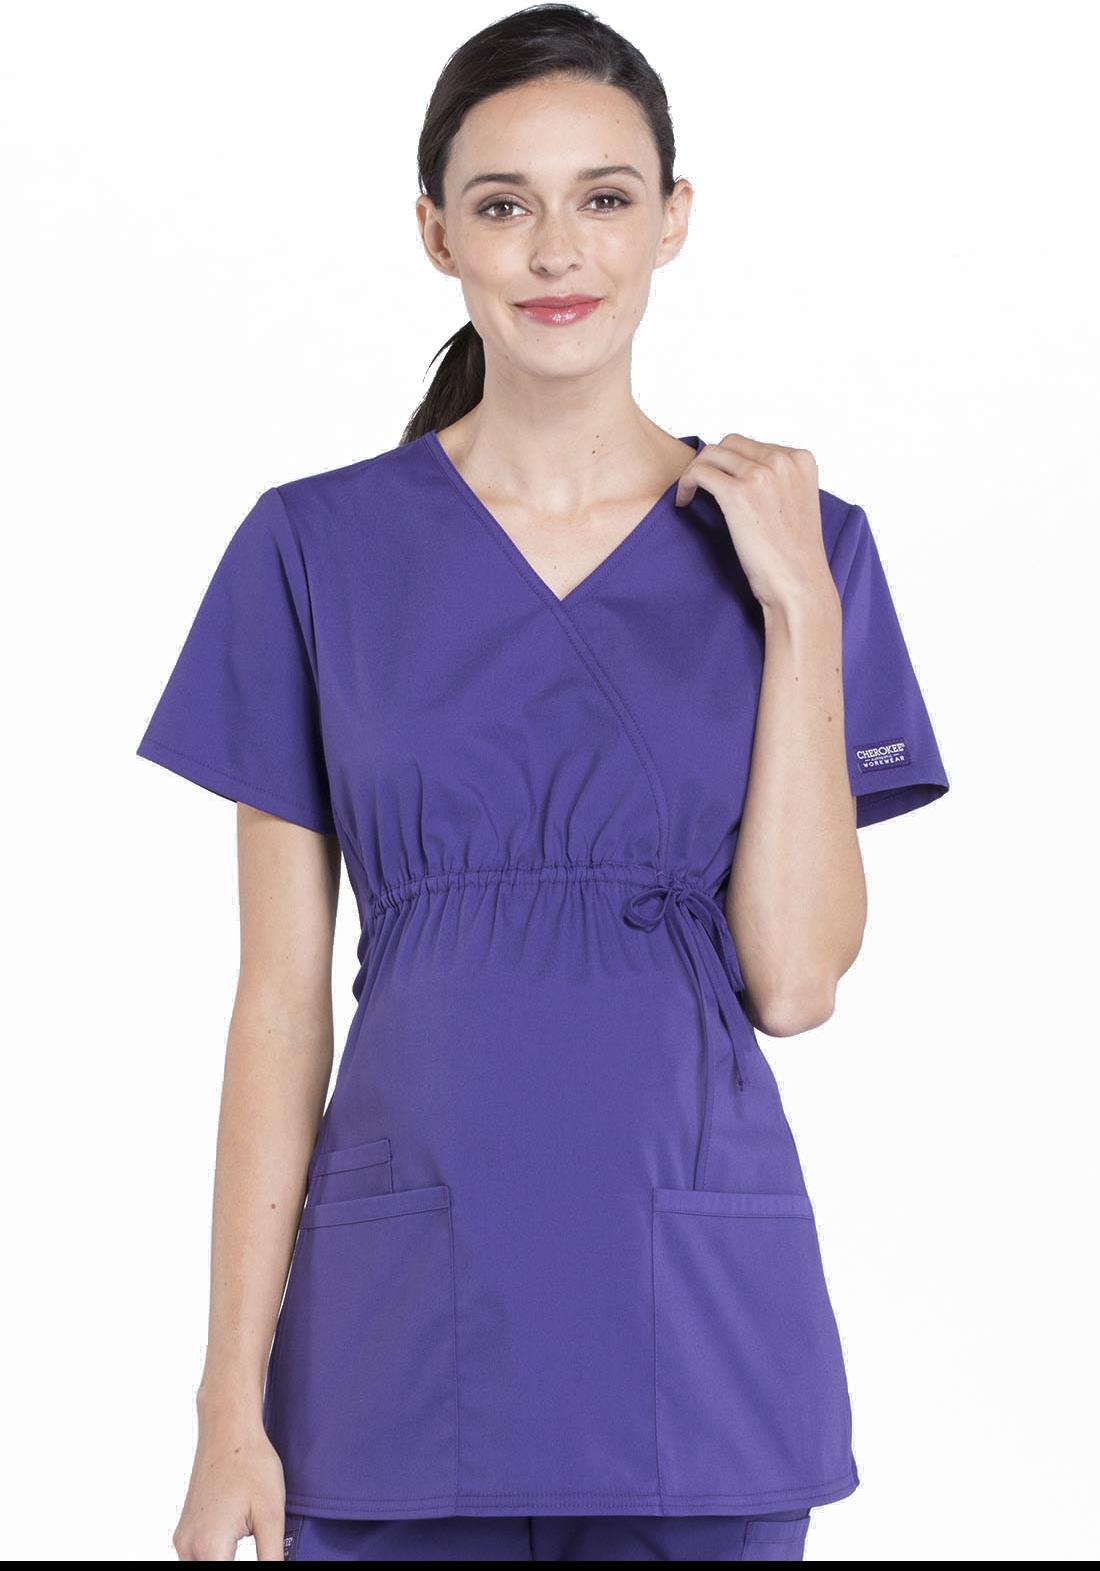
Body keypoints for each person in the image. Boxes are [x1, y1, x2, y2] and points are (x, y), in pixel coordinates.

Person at [138, 5, 950, 1562]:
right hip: (393, 1338)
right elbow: (278, 1009)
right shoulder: (314, 551)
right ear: (437, 234)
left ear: (672, 220)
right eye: (505, 204)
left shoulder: (807, 546)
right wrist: (228, 1406)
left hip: (695, 1333)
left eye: (606, 198)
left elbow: (794, 982)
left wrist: (799, 609)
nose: (558, 250)